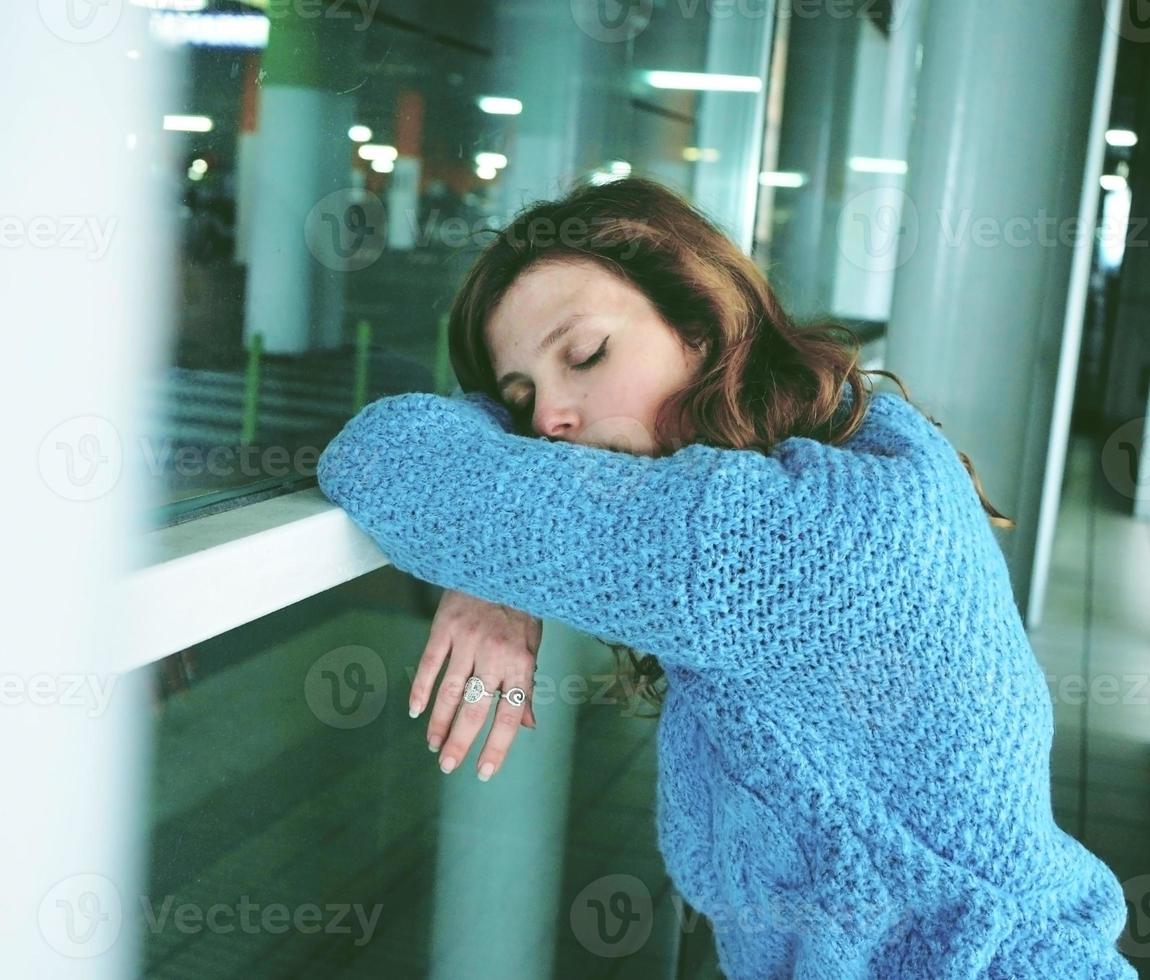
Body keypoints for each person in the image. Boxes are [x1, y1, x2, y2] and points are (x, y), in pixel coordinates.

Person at [315, 176, 1138, 977]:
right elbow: (472, 473)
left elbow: (378, 453)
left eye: (587, 355)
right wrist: (498, 561)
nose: (550, 423)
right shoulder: (858, 449)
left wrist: (495, 539)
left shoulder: (779, 541)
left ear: (702, 327)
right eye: (523, 399)